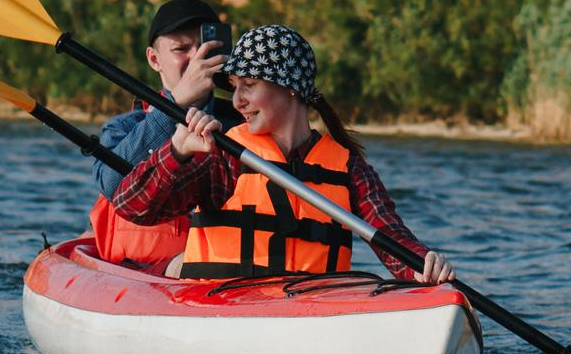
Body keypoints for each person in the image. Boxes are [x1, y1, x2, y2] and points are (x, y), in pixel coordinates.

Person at [109, 23, 455, 285]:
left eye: (249, 86)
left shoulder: (348, 167)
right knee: (173, 264)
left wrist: (422, 265)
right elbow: (133, 207)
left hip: (306, 306)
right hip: (220, 304)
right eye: (235, 88)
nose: (238, 101)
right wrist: (177, 152)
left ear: (289, 88)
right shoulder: (224, 155)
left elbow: (390, 235)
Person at [85, 0, 235, 269]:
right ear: (154, 59)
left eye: (205, 46)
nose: (196, 58)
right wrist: (176, 103)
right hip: (142, 273)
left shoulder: (243, 125)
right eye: (181, 49)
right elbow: (112, 185)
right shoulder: (122, 128)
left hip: (225, 270)